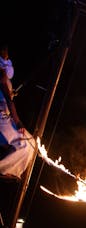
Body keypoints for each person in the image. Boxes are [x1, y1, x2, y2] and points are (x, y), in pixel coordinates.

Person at [0, 44, 35, 179]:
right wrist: (18, 121)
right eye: (5, 54)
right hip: (2, 117)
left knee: (26, 143)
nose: (7, 56)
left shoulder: (4, 75)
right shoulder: (2, 74)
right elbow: (9, 101)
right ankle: (4, 169)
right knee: (27, 143)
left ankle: (9, 168)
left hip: (3, 117)